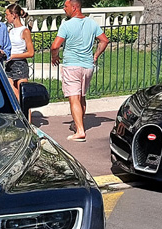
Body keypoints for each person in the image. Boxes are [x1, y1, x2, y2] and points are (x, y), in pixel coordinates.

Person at [50, 0, 109, 142]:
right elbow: (104, 40)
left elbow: (55, 46)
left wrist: (55, 56)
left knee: (74, 98)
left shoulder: (67, 25)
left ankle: (80, 131)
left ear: (74, 7)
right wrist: (95, 55)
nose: (64, 9)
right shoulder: (92, 23)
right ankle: (79, 124)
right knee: (81, 97)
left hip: (72, 66)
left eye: (66, 6)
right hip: (87, 66)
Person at [4, 3, 34, 101]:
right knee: (10, 89)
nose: (6, 17)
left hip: (20, 64)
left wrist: (13, 56)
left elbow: (31, 53)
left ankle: (24, 110)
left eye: (7, 15)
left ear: (13, 15)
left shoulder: (24, 31)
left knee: (22, 95)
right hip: (9, 64)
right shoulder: (10, 30)